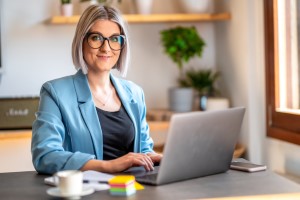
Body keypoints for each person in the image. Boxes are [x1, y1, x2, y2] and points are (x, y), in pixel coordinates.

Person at [31, 5, 162, 175]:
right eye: (96, 38)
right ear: (82, 41)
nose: (106, 48)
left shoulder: (135, 93)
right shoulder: (55, 93)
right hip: (88, 191)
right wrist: (107, 166)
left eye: (115, 39)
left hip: (132, 190)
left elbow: (144, 149)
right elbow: (45, 156)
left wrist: (158, 157)